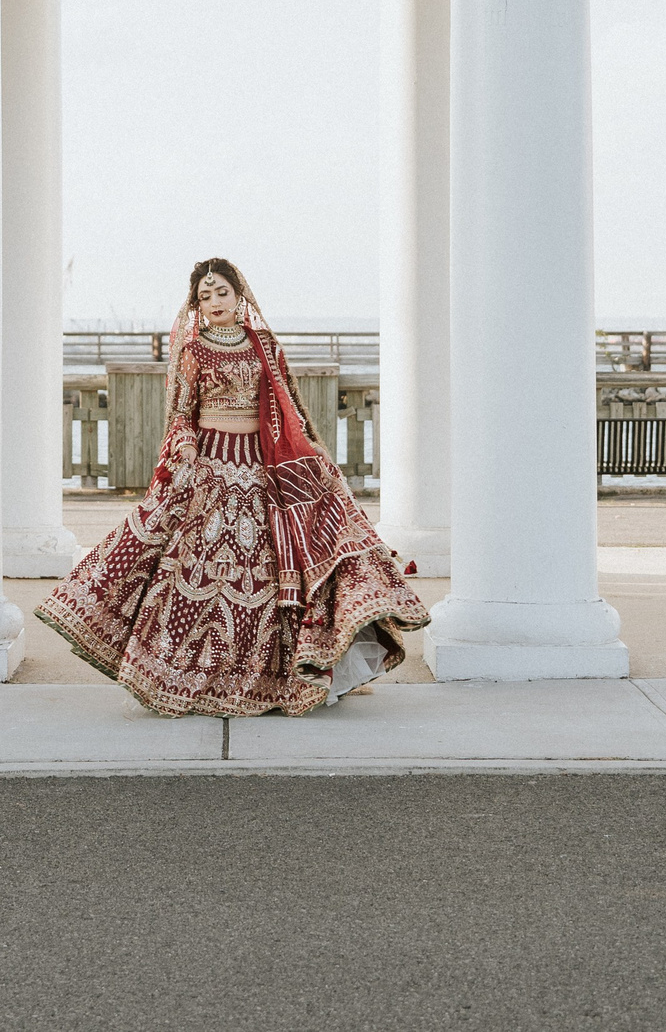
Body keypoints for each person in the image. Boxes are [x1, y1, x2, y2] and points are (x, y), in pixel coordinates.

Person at [38, 257, 430, 717]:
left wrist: (311, 455)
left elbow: (288, 408)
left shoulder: (265, 346)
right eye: (204, 297)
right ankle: (185, 678)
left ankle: (280, 679)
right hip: (211, 472)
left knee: (271, 574)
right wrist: (184, 447)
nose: (214, 302)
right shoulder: (193, 350)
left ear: (239, 294)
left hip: (263, 471)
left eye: (221, 292)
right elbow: (182, 414)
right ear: (196, 305)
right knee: (193, 575)